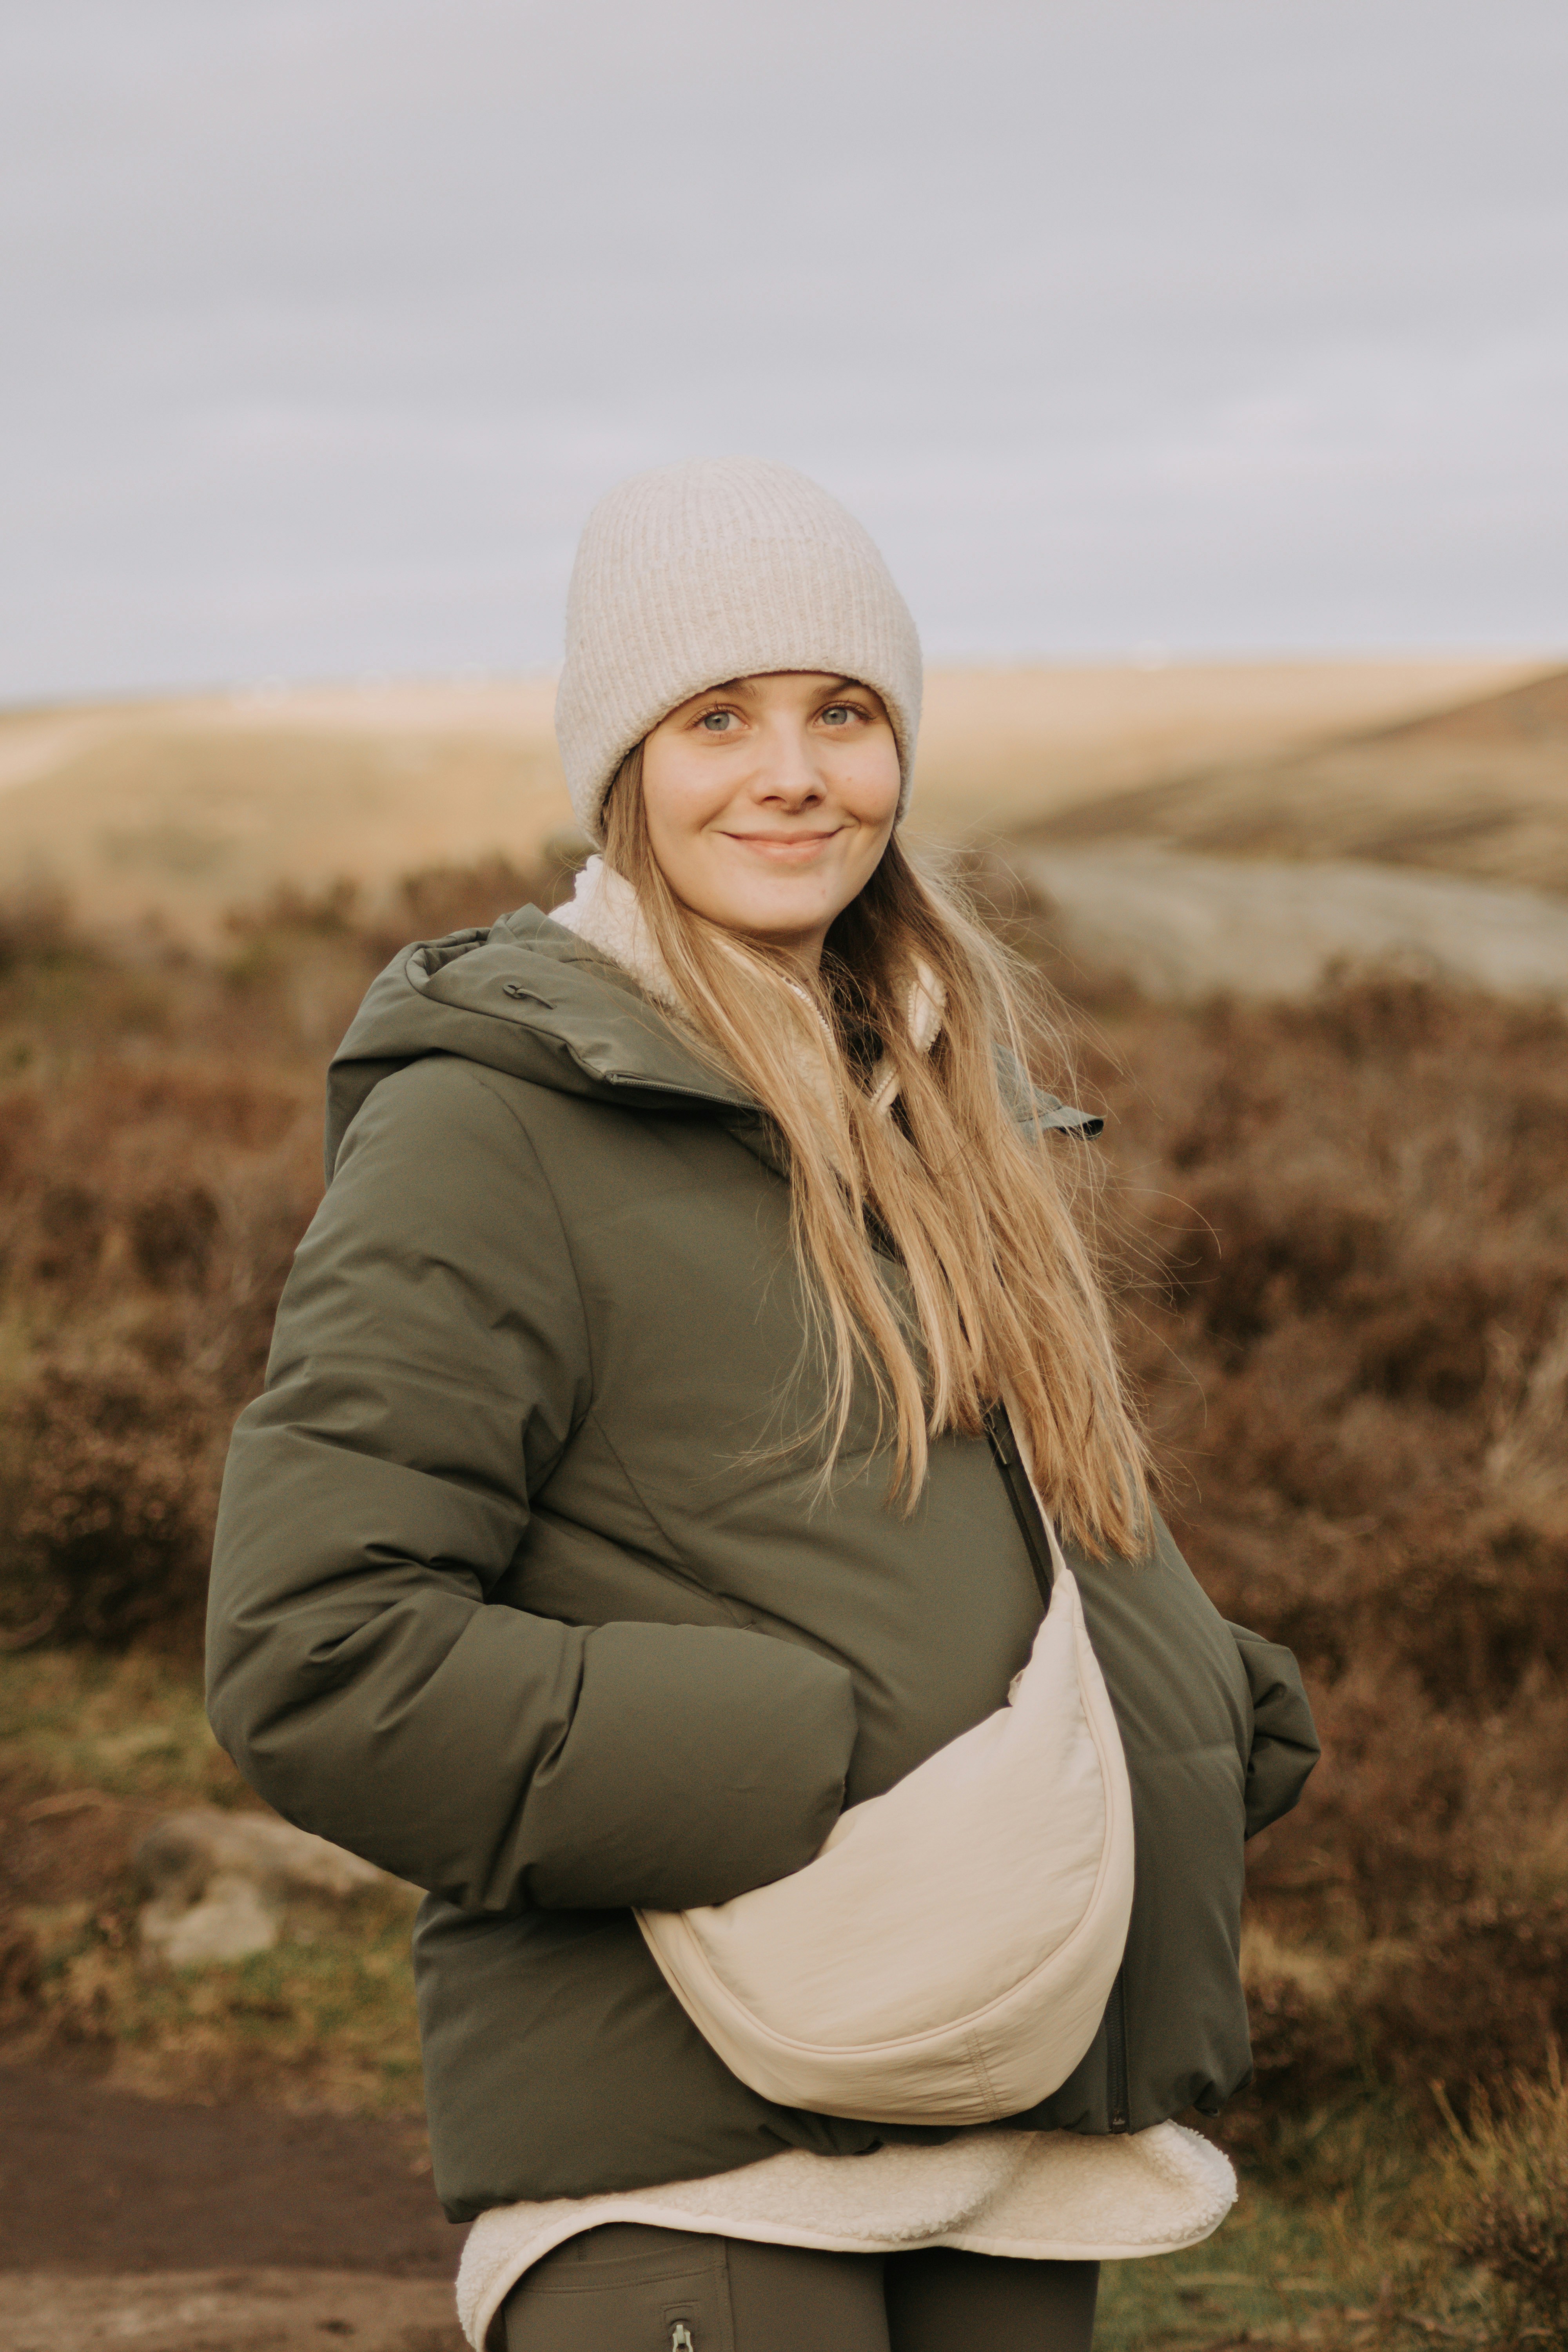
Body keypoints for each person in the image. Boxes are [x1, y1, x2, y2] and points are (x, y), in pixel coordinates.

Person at [206, 457, 1319, 2352]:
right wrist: (798, 1764)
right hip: (690, 2164)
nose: (791, 772)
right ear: (622, 764)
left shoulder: (962, 1110)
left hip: (1011, 2148)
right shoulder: (495, 1121)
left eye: (844, 712)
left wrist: (1189, 1713)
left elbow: (965, 1538)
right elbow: (318, 1651)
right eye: (716, 716)